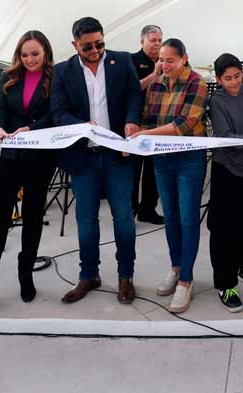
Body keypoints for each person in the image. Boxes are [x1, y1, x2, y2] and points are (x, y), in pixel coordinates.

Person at [49, 16, 143, 305]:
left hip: (117, 155)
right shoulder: (62, 71)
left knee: (124, 219)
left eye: (100, 43)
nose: (95, 50)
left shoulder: (122, 61)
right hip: (83, 156)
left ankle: (125, 276)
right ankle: (88, 275)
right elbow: (58, 112)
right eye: (88, 46)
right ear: (75, 45)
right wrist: (82, 125)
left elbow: (133, 96)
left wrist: (131, 121)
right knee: (86, 220)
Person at [0, 30, 58, 318]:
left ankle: (26, 275)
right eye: (24, 54)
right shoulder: (8, 78)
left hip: (38, 159)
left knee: (32, 218)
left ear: (45, 52)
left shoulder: (55, 79)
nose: (30, 59)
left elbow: (55, 115)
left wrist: (32, 129)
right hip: (6, 158)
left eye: (35, 53)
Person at [132, 38, 208, 313]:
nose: (164, 65)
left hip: (188, 159)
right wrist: (135, 131)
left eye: (170, 60)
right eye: (161, 60)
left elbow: (185, 124)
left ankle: (186, 281)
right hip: (162, 159)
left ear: (184, 59)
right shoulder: (155, 82)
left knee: (188, 219)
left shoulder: (196, 82)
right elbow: (146, 117)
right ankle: (176, 268)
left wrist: (146, 134)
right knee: (171, 218)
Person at [207, 53, 243, 313]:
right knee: (223, 229)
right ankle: (225, 282)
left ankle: (239, 261)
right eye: (227, 78)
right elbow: (223, 137)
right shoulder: (216, 100)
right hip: (226, 170)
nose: (234, 82)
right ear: (218, 79)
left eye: (237, 76)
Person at [129, 24, 164, 224]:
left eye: (160, 40)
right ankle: (131, 210)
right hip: (136, 123)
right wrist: (154, 75)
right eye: (153, 40)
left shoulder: (167, 59)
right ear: (142, 41)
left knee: (154, 170)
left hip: (158, 124)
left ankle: (148, 210)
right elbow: (133, 89)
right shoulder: (132, 61)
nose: (157, 44)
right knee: (133, 170)